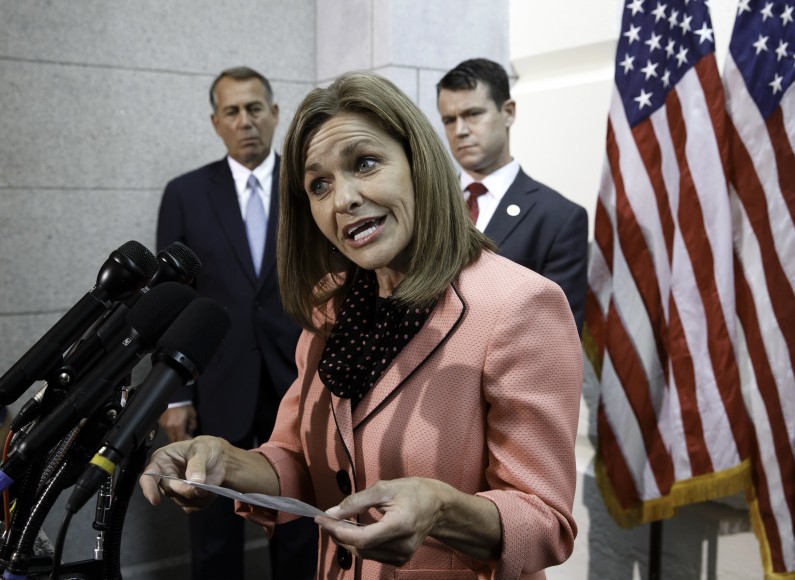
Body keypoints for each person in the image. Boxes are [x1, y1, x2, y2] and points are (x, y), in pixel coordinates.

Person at [142, 71, 583, 579]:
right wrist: (226, 464)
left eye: (366, 163)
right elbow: (301, 463)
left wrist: (441, 508)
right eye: (319, 184)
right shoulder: (330, 307)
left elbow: (547, 520)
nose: (343, 198)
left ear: (419, 163)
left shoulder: (521, 304)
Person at [155, 66, 317, 580]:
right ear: (215, 122)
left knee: (298, 533)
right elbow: (171, 299)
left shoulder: (307, 188)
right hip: (217, 389)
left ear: (274, 114)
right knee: (213, 539)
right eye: (232, 111)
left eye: (254, 109)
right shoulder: (185, 193)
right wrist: (175, 396)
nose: (245, 121)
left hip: (298, 388)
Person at [436, 58, 589, 333]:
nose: (460, 131)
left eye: (472, 114)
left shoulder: (558, 218)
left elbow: (555, 333)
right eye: (449, 120)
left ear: (508, 112)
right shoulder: (428, 207)